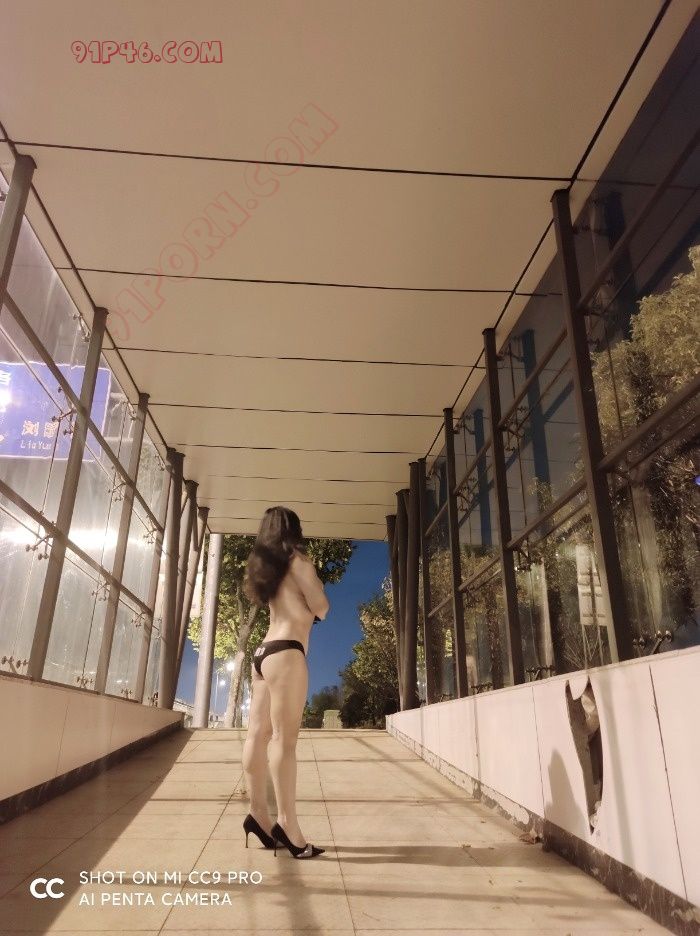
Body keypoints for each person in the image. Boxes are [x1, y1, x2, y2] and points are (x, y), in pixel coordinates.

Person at [240, 506, 330, 859]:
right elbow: (322, 607)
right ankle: (288, 826)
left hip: (263, 652)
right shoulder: (298, 561)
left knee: (256, 735)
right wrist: (315, 584)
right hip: (287, 652)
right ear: (294, 530)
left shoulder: (267, 566)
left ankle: (258, 816)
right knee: (284, 740)